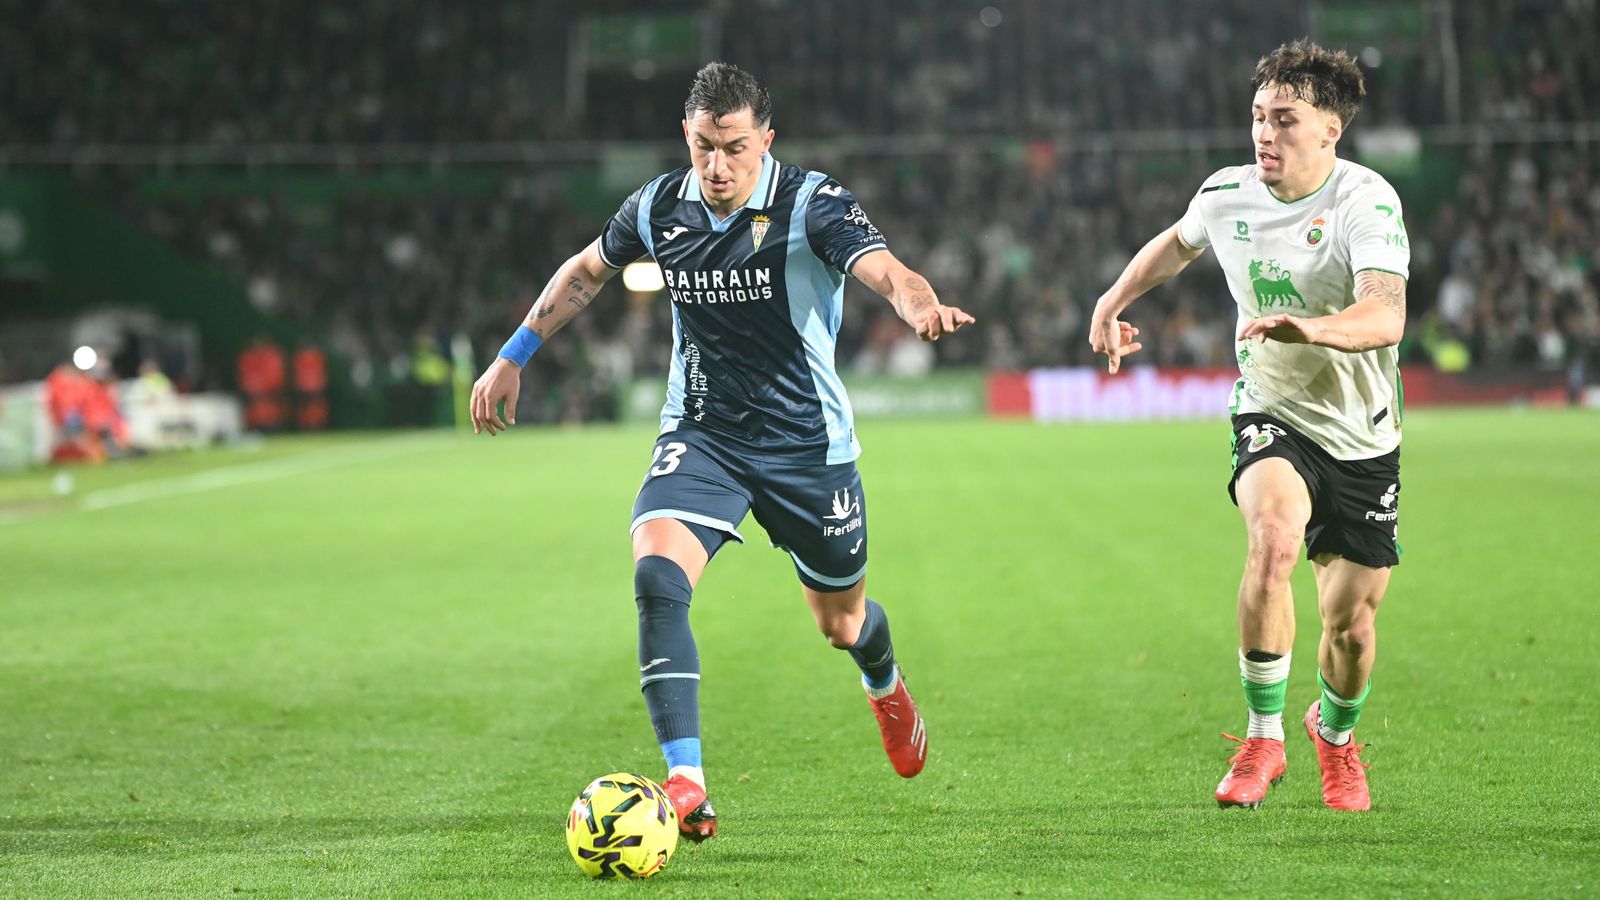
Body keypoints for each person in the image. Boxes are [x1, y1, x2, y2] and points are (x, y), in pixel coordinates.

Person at [470, 62, 973, 840]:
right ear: (686, 136)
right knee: (656, 576)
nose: (716, 167)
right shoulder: (659, 205)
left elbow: (887, 270)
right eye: (704, 146)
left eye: (734, 147)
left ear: (765, 140)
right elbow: (584, 273)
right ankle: (687, 781)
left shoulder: (813, 203)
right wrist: (514, 353)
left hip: (807, 447)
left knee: (840, 622)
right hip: (703, 435)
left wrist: (919, 305)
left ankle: (884, 679)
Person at [1088, 39, 1408, 811]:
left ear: (1331, 130)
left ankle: (1332, 736)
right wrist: (1112, 301)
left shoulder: (1365, 201)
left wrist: (1312, 328)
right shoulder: (1228, 191)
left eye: (1285, 120)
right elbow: (1177, 242)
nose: (1266, 133)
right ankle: (1263, 737)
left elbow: (1385, 314)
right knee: (1272, 543)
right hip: (1272, 408)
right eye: (1259, 117)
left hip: (1363, 431)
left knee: (1352, 628)